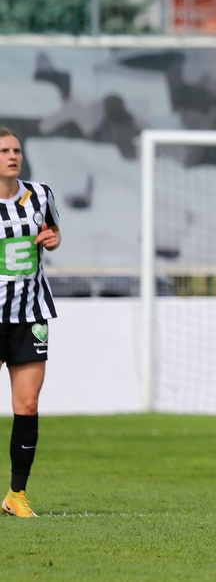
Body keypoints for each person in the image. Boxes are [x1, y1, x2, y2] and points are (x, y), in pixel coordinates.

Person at [0, 128, 61, 518]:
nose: (12, 156)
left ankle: (16, 495)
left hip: (31, 314)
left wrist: (54, 239)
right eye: (4, 150)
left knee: (28, 403)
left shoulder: (40, 194)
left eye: (16, 150)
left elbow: (52, 231)